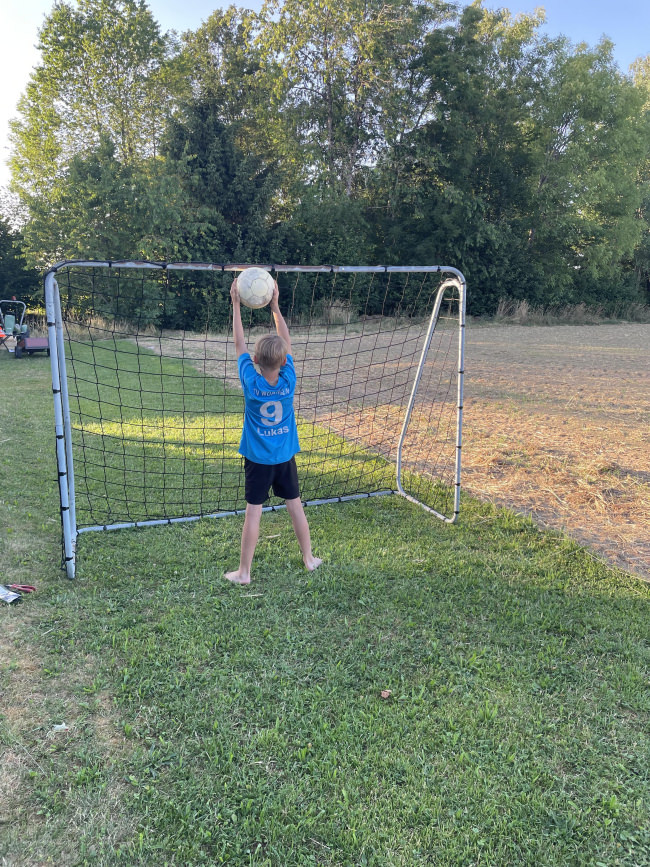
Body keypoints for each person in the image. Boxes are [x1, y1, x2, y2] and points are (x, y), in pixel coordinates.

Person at [225, 278, 322, 585]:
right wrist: (276, 306)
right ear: (283, 362)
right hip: (284, 457)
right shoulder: (288, 380)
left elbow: (239, 344)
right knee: (295, 505)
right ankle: (308, 558)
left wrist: (236, 304)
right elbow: (287, 342)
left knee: (254, 513)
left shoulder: (251, 384)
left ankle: (244, 572)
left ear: (254, 361)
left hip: (257, 459)